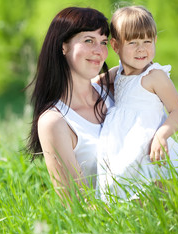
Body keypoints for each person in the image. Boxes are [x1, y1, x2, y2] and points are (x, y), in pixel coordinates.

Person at [97, 6, 178, 201]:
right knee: (129, 194)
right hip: (123, 146)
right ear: (115, 46)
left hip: (150, 147)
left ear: (155, 40)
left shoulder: (155, 76)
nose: (141, 49)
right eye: (132, 42)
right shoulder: (117, 73)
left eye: (147, 41)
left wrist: (161, 136)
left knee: (160, 195)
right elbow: (90, 86)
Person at [26, 7, 114, 201]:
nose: (99, 51)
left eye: (104, 42)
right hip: (112, 224)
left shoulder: (114, 90)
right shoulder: (55, 121)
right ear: (63, 46)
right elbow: (76, 203)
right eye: (89, 40)